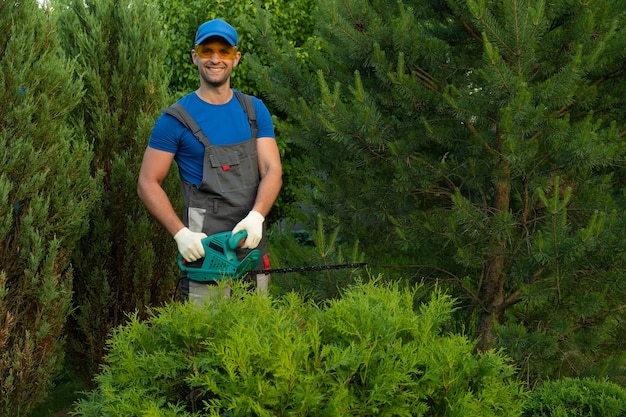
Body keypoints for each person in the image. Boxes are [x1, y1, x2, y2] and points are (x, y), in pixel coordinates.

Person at [137, 18, 282, 303]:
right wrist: (180, 234)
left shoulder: (254, 111)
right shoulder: (174, 120)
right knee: (205, 340)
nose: (215, 59)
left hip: (251, 247)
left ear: (236, 58)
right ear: (195, 56)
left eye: (224, 51)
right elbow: (147, 183)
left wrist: (257, 216)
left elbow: (272, 169)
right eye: (207, 50)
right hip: (204, 254)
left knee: (257, 338)